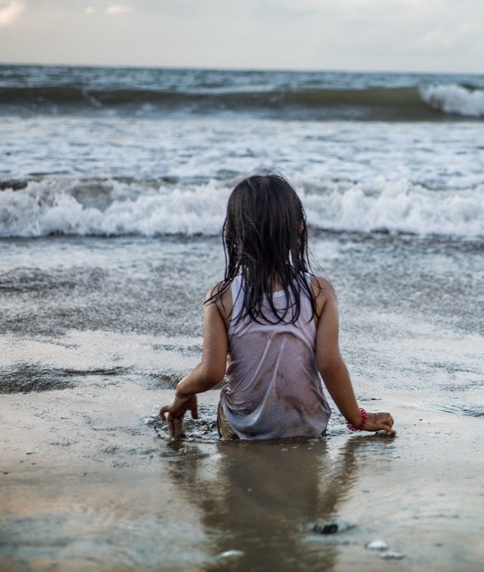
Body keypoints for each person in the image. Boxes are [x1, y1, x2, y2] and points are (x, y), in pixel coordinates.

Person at [159, 172, 394, 440]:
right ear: (300, 227)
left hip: (244, 427)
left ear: (231, 232)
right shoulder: (320, 291)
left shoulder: (221, 297)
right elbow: (329, 364)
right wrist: (358, 419)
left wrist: (182, 392)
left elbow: (211, 373)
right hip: (307, 425)